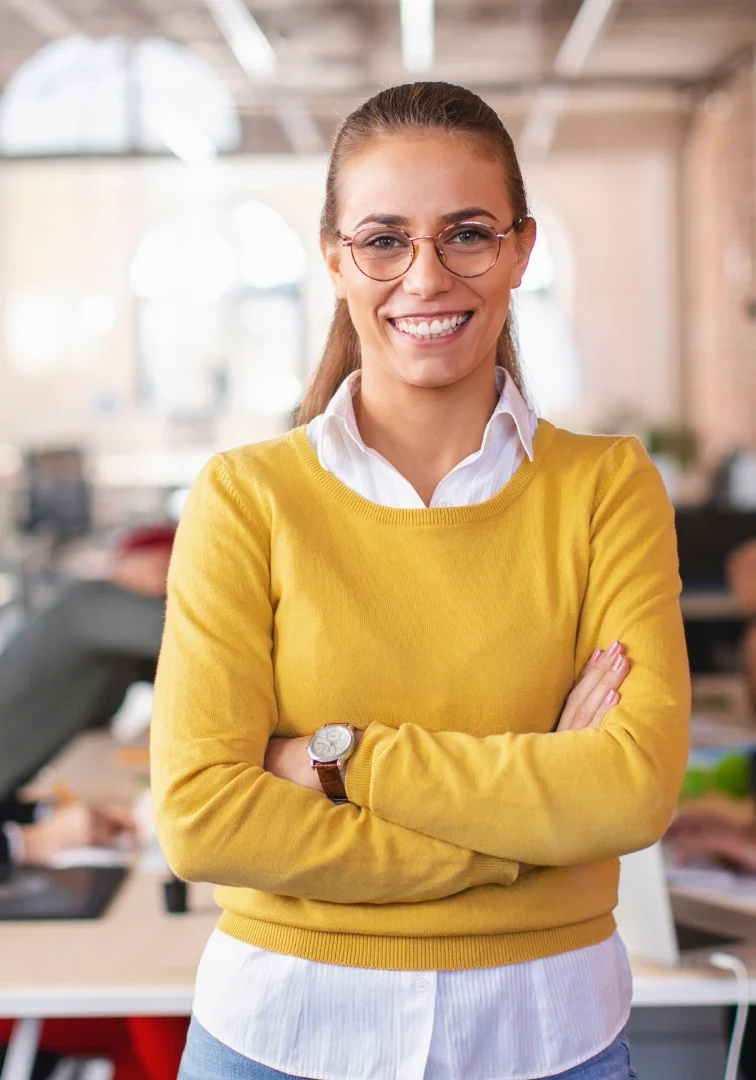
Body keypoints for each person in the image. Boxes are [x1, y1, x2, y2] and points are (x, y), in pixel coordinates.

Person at [151, 81, 690, 1080]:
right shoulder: (245, 496)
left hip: (549, 1036)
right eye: (384, 240)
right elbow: (202, 818)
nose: (427, 276)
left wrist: (339, 760)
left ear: (522, 250)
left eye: (468, 234)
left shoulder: (607, 488)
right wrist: (524, 832)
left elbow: (627, 794)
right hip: (281, 1035)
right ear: (333, 258)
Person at [0, 524, 175, 798]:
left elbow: (174, 674)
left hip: (31, 769)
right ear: (128, 561)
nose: (173, 577)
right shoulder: (98, 603)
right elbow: (182, 638)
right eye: (164, 565)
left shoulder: (117, 627)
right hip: (13, 768)